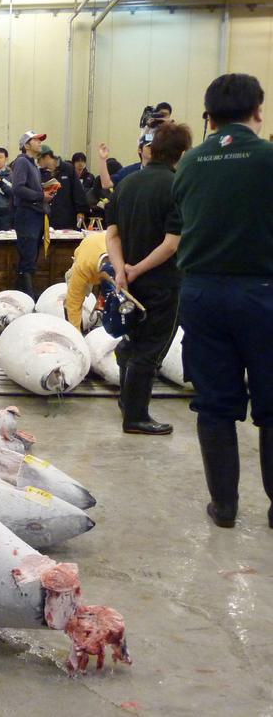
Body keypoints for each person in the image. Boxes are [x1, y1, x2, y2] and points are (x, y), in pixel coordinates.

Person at [172, 73, 273, 528]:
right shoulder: (268, 157)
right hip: (263, 293)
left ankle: (225, 507)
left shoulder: (190, 163)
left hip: (202, 293)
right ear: (258, 110)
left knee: (213, 404)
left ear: (208, 116)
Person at [107, 121, 193, 436]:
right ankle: (136, 416)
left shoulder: (127, 184)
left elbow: (112, 234)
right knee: (150, 349)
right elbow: (172, 244)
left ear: (151, 149)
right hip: (162, 284)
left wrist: (121, 270)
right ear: (180, 154)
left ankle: (127, 403)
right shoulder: (177, 187)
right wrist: (138, 268)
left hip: (128, 284)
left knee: (131, 341)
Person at [11, 129, 52, 297]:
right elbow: (18, 188)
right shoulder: (22, 162)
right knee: (28, 259)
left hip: (35, 215)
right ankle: (28, 297)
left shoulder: (32, 164)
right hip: (27, 216)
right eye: (36, 140)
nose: (40, 142)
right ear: (26, 145)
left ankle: (22, 295)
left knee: (30, 258)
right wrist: (40, 195)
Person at [63, 231, 109, 331]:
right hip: (86, 253)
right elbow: (74, 301)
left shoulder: (124, 258)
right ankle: (74, 328)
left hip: (107, 248)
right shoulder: (82, 268)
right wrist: (76, 334)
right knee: (72, 299)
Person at [39, 145, 88, 230]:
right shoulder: (40, 172)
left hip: (67, 218)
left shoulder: (67, 168)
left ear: (46, 157)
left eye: (39, 160)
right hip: (46, 218)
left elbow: (78, 191)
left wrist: (81, 211)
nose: (38, 163)